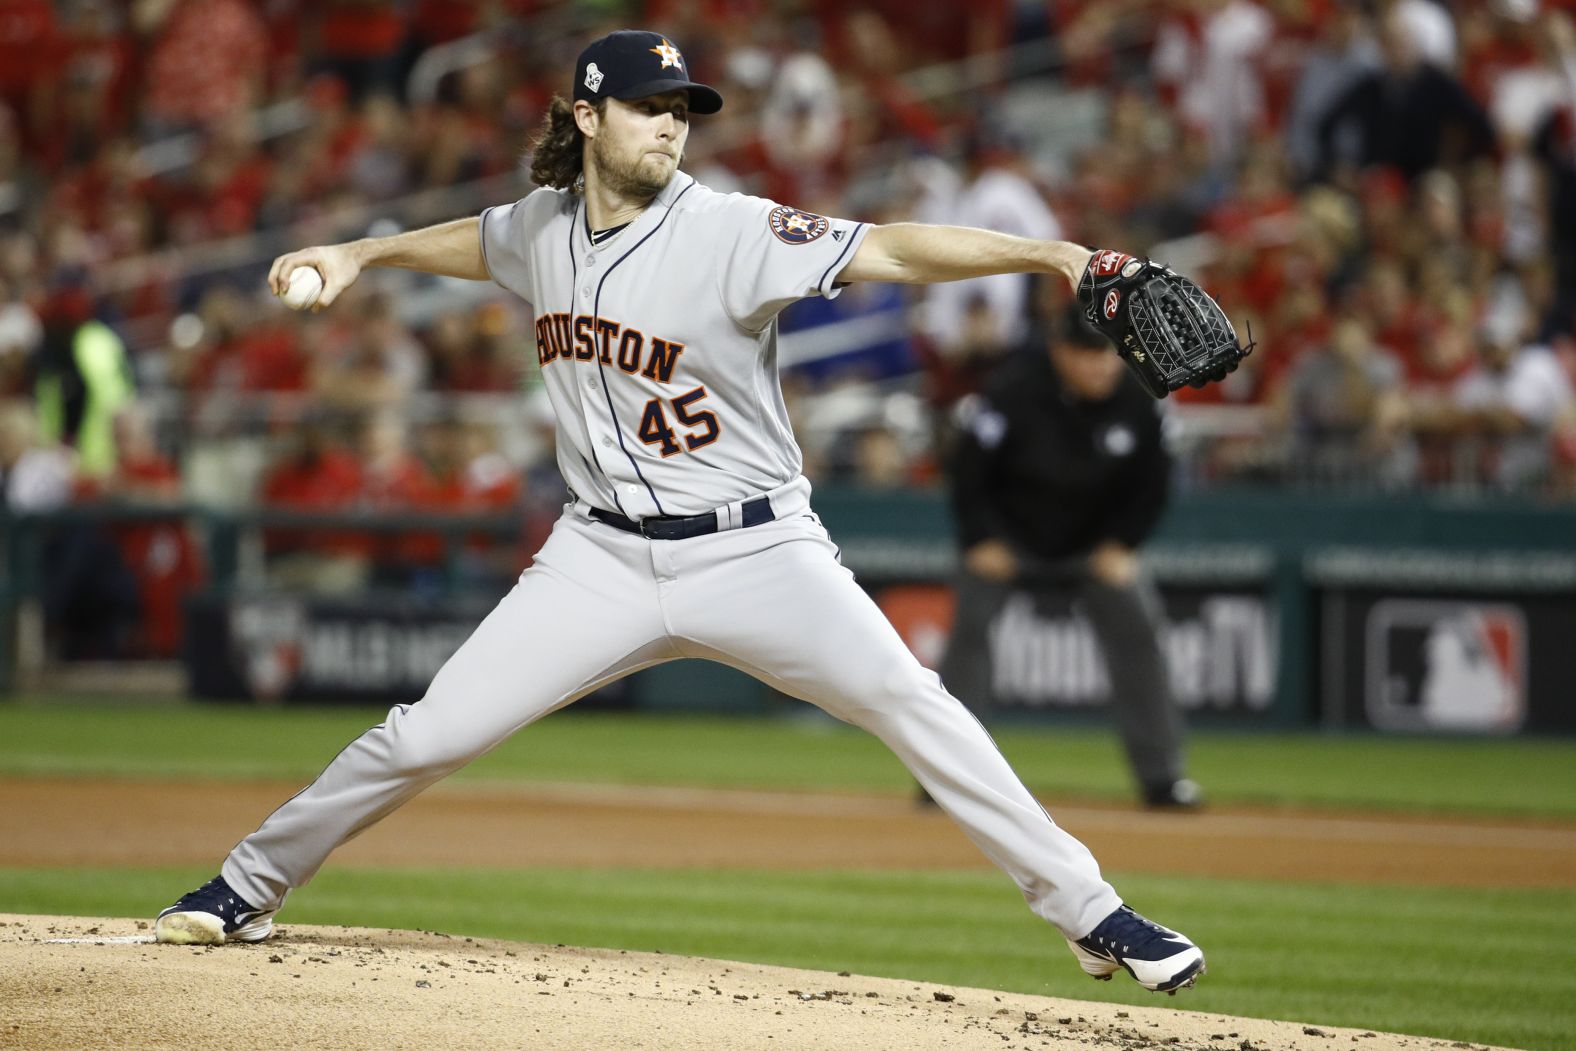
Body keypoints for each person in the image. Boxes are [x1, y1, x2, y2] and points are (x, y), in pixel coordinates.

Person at [152, 29, 1207, 994]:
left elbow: (890, 246)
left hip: (756, 548)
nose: (671, 122)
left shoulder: (734, 231)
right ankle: (246, 884)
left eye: (683, 106)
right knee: (425, 736)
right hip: (599, 559)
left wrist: (1056, 257)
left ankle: (1092, 912)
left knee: (909, 698)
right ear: (585, 117)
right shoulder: (542, 229)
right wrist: (359, 255)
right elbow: (474, 241)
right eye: (650, 103)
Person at [936, 304, 1200, 811]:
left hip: (1096, 548)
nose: (1100, 365)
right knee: (968, 634)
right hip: (1009, 541)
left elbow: (1155, 486)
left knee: (1140, 631)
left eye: (1107, 355)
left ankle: (1164, 777)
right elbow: (968, 472)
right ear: (1060, 351)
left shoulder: (1142, 397)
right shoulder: (1013, 389)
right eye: (1086, 354)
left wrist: (1124, 545)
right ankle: (946, 776)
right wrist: (980, 540)